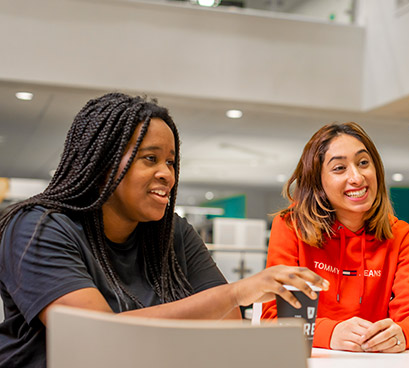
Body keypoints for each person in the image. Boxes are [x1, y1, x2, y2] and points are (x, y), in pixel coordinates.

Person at [0, 93, 328, 367]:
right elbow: (97, 341)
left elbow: (226, 325)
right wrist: (235, 292)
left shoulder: (172, 233)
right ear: (103, 164)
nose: (167, 174)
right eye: (150, 158)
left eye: (170, 162)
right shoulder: (37, 228)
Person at [261, 122, 409, 353]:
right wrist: (331, 333)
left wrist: (401, 334)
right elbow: (274, 317)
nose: (357, 177)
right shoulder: (291, 227)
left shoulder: (402, 235)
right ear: (318, 181)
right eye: (339, 168)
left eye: (363, 163)